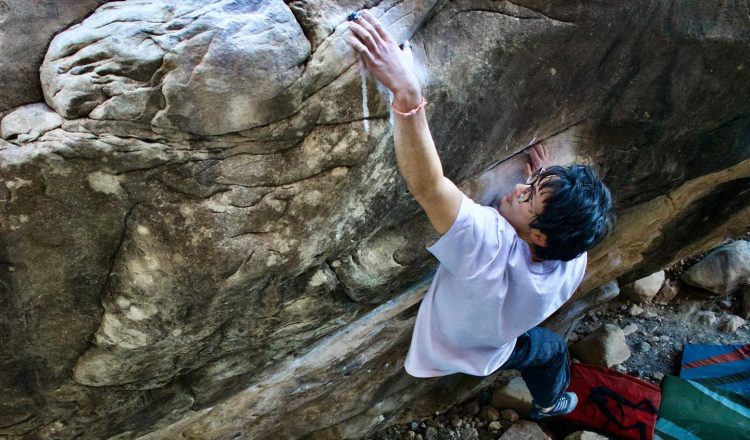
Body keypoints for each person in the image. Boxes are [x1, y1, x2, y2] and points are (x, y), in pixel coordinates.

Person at [345, 10, 614, 419]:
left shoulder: (486, 246)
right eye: (530, 185)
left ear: (539, 236)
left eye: (528, 199)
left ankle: (549, 401)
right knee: (552, 350)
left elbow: (429, 185)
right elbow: (568, 224)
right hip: (495, 348)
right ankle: (550, 402)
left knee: (549, 349)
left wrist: (406, 93)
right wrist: (543, 190)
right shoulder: (572, 257)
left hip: (443, 346)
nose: (519, 189)